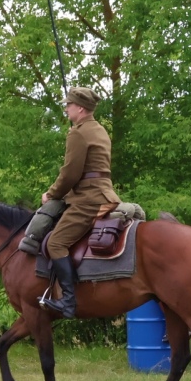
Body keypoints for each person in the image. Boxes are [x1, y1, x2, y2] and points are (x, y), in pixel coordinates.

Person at [39, 87, 120, 319]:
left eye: (69, 105)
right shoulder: (100, 130)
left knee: (56, 243)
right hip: (105, 194)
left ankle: (68, 302)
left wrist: (51, 194)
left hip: (88, 199)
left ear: (81, 108)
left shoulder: (78, 133)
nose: (66, 108)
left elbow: (70, 174)